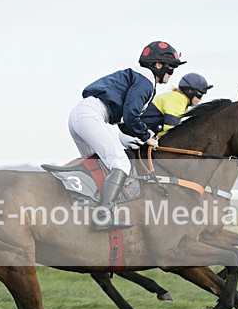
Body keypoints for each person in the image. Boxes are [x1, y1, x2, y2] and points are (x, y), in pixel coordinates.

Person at [68, 41, 186, 229]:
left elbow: (124, 121)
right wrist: (146, 135)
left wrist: (133, 138)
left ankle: (85, 208)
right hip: (92, 116)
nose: (171, 74)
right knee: (121, 163)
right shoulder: (146, 80)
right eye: (170, 69)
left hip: (83, 115)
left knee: (96, 165)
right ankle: (103, 216)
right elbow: (131, 116)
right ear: (157, 65)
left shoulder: (137, 77)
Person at [141, 72, 214, 138]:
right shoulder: (178, 99)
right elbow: (171, 130)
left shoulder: (177, 97)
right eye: (199, 95)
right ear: (190, 91)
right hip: (143, 133)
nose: (200, 99)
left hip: (147, 131)